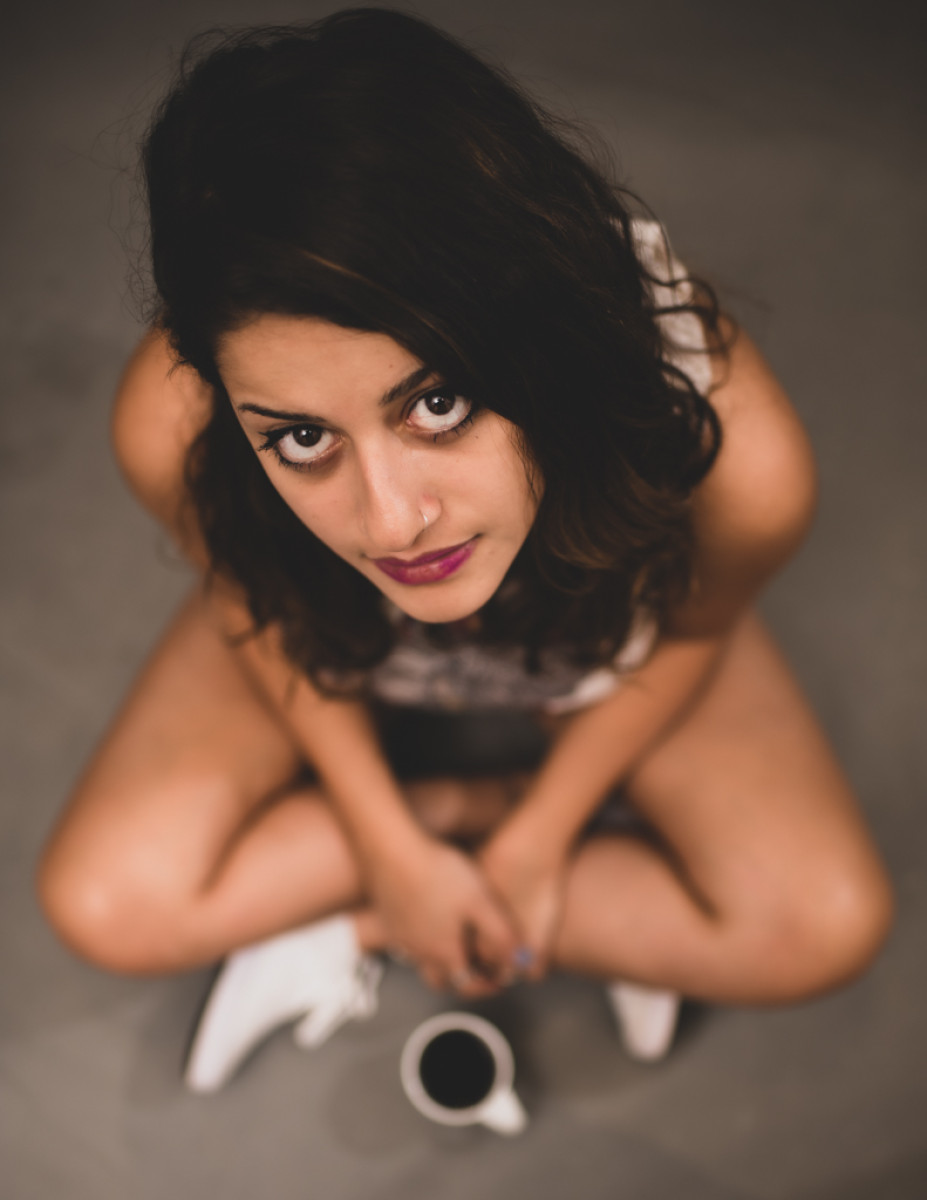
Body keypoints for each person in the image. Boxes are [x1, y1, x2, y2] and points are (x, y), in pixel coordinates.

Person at [37, 8, 893, 1093]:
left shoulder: (727, 449)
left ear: (542, 335)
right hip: (331, 636)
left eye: (437, 403)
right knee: (105, 905)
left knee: (821, 924)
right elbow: (250, 600)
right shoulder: (175, 425)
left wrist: (541, 836)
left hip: (603, 643)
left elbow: (693, 631)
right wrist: (397, 843)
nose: (392, 524)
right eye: (301, 439)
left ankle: (402, 897)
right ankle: (466, 853)